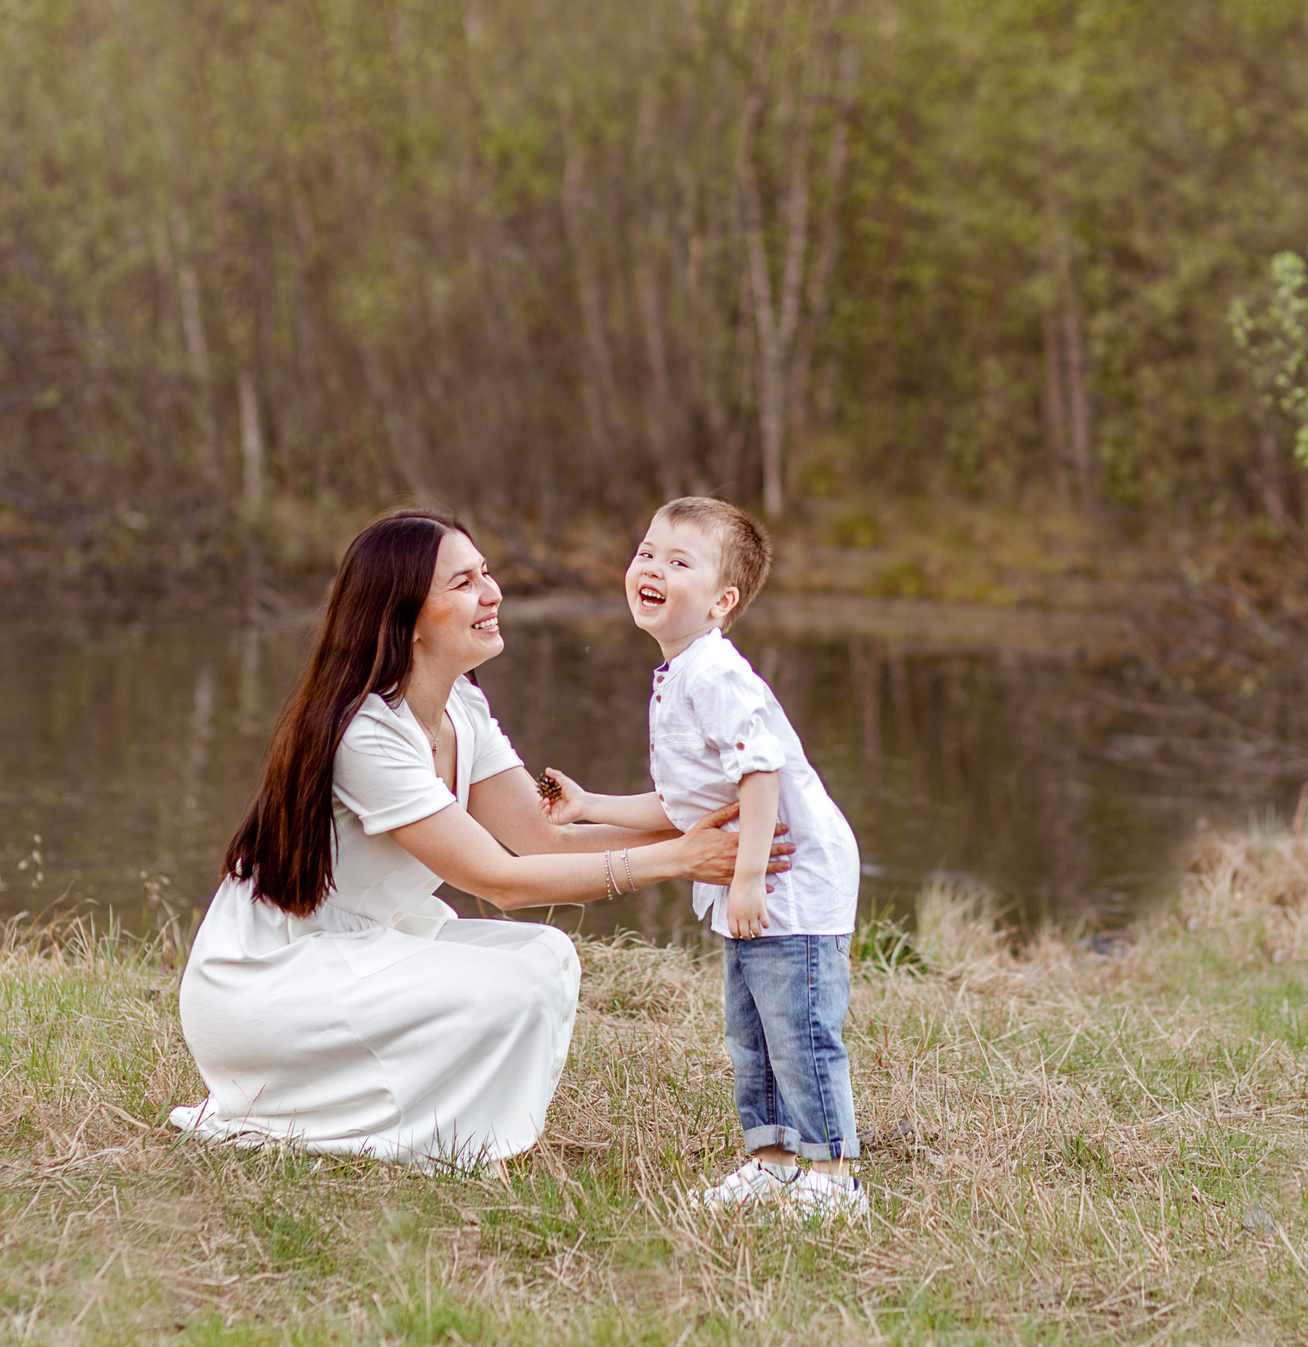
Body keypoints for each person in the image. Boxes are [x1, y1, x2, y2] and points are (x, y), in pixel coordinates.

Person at [170, 510, 783, 1169]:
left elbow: (540, 837)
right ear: (403, 612)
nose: (492, 592)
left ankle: (461, 1135)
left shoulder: (462, 703)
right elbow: (499, 880)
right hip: (267, 985)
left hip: (365, 949)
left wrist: (704, 813)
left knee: (546, 960)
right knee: (507, 991)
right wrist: (679, 859)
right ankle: (380, 1132)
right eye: (464, 582)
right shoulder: (367, 733)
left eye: (487, 573)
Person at [537, 497, 869, 1221]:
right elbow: (687, 805)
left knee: (800, 1026)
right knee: (750, 1031)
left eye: (678, 561)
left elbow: (760, 771)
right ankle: (772, 1163)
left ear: (722, 602)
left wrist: (747, 874)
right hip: (750, 881)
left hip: (789, 879)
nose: (652, 566)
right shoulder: (679, 673)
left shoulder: (716, 675)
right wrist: (591, 805)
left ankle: (833, 1177)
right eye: (647, 551)